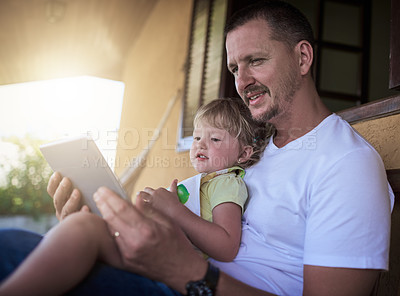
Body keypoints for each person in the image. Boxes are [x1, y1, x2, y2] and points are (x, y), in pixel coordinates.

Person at [0, 1, 394, 295]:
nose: (243, 81)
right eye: (234, 69)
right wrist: (105, 219)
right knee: (46, 240)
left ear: (303, 57)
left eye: (255, 61)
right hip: (176, 279)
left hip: (187, 285)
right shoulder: (246, 152)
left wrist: (189, 272)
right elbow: (178, 223)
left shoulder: (346, 163)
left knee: (12, 249)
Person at [0, 98, 271, 295]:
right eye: (197, 137)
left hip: (177, 274)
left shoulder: (227, 183)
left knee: (84, 230)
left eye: (215, 139)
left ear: (244, 154)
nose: (200, 144)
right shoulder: (200, 183)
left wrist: (175, 211)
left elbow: (226, 246)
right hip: (158, 257)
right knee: (82, 229)